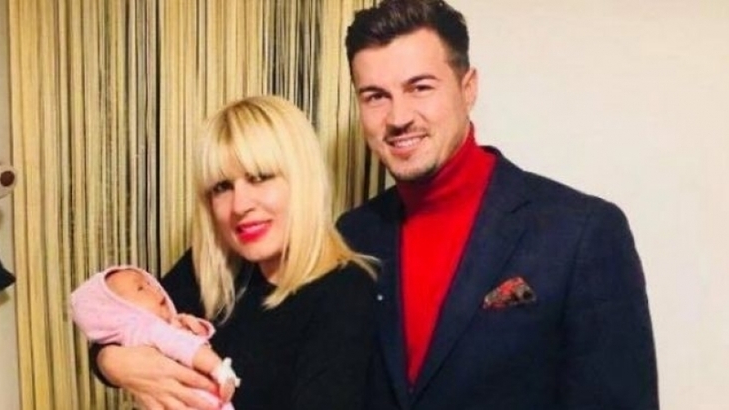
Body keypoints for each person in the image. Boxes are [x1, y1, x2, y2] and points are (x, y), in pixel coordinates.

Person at [337, 0, 659, 409]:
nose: (398, 116)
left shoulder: (580, 232)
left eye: (420, 87)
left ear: (468, 88)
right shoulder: (351, 236)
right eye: (375, 96)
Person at [91, 95, 377, 410]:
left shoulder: (346, 291)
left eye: (259, 177)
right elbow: (116, 317)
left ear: (302, 179)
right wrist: (111, 362)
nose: (240, 205)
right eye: (222, 187)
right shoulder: (213, 267)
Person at [71, 266, 240, 409]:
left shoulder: (144, 333)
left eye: (150, 283)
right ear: (121, 312)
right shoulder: (149, 328)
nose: (156, 288)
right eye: (141, 288)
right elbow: (191, 349)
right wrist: (220, 370)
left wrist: (188, 328)